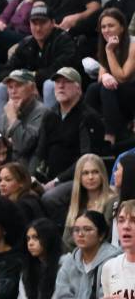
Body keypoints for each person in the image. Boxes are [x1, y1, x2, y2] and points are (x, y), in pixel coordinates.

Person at [33, 67, 106, 218]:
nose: (60, 86)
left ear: (78, 88)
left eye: (66, 82)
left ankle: (66, 235)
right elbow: (40, 152)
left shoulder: (88, 116)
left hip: (78, 178)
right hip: (49, 177)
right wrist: (31, 177)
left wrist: (57, 181)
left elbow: (86, 158)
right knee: (25, 195)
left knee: (50, 199)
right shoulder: (50, 115)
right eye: (57, 82)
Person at [0, 1, 78, 123]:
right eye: (34, 23)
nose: (38, 28)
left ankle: (50, 133)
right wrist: (21, 82)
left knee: (50, 85)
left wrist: (30, 80)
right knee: (0, 89)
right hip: (32, 90)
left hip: (65, 88)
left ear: (53, 23)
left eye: (42, 23)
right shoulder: (26, 44)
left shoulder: (63, 40)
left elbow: (58, 71)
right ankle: (2, 136)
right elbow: (7, 71)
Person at [86, 8, 135, 145]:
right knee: (93, 88)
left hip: (132, 91)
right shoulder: (105, 45)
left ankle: (110, 135)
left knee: (107, 89)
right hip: (118, 93)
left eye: (111, 26)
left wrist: (109, 51)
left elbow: (123, 77)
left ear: (122, 27)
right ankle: (88, 130)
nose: (106, 30)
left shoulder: (133, 44)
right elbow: (101, 77)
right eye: (103, 27)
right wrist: (106, 76)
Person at [62, 153, 116, 243]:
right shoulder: (77, 203)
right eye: (85, 173)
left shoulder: (112, 201)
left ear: (102, 174)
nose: (90, 177)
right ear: (79, 177)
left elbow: (105, 237)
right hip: (75, 255)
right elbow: (65, 240)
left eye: (95, 172)